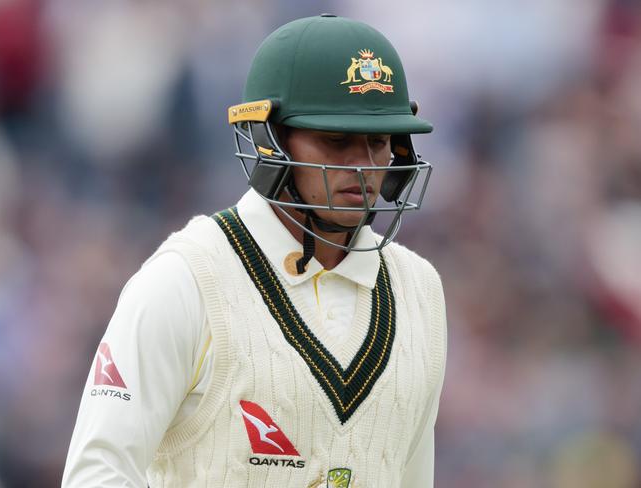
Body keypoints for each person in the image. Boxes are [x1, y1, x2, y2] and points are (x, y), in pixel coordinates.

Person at [63, 14, 447, 488]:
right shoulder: (186, 279)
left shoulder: (420, 290)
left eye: (379, 141)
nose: (364, 165)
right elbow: (95, 474)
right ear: (270, 141)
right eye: (336, 139)